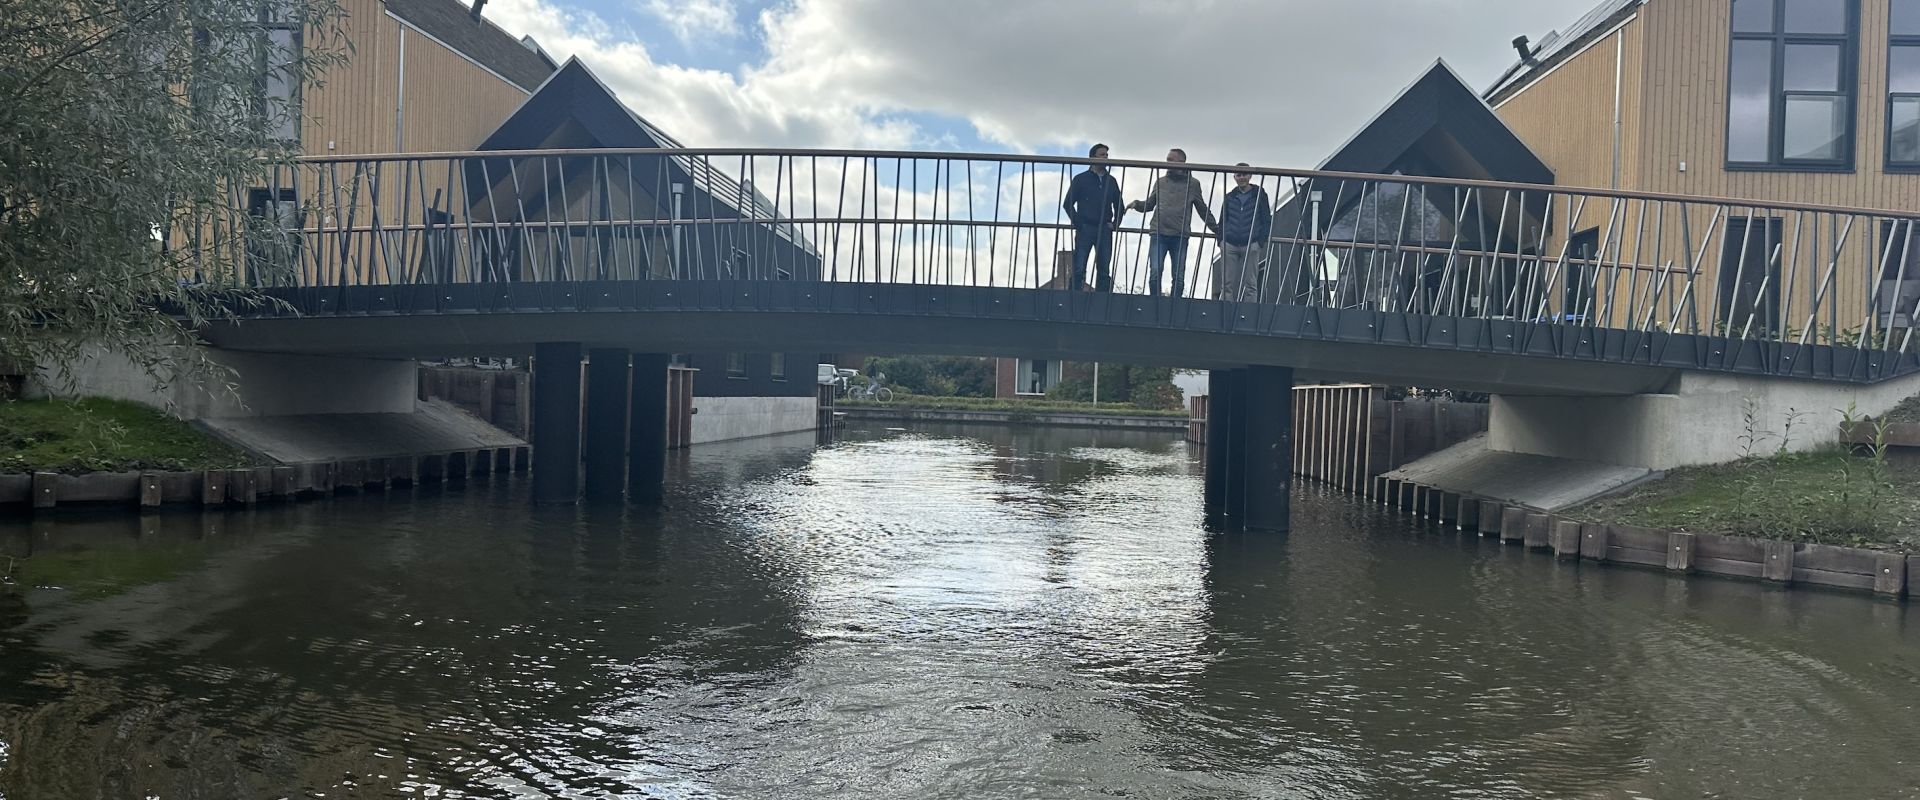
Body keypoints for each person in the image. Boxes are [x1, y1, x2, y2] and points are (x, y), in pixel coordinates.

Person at [1128, 148, 1218, 298]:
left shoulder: (1193, 184)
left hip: (1179, 234)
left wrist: (1217, 229)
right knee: (1155, 272)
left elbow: (1202, 209)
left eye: (1171, 160)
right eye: (1167, 159)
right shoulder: (1160, 182)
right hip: (1158, 232)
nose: (1167, 163)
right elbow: (1150, 204)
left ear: (1182, 163)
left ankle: (1175, 306)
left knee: (1179, 275)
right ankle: (1154, 303)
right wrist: (1136, 204)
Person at [1061, 143, 1124, 292]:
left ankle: (1101, 300)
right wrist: (1078, 223)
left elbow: (1119, 205)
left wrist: (1115, 224)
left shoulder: (1111, 181)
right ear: (1093, 158)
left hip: (1104, 229)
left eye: (1107, 155)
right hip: (1086, 227)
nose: (1106, 158)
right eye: (1102, 155)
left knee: (1104, 269)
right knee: (1079, 267)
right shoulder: (1081, 179)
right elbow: (1068, 203)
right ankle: (1075, 298)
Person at [1215, 164, 1273, 301]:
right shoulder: (1229, 197)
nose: (1241, 178)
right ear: (1234, 177)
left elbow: (1266, 218)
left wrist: (1260, 241)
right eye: (1238, 175)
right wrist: (1221, 241)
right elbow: (1223, 219)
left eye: (1244, 174)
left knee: (1251, 284)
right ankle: (1226, 313)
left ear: (1250, 176)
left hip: (1251, 243)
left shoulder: (1260, 195)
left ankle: (1248, 315)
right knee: (1226, 284)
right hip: (1230, 243)